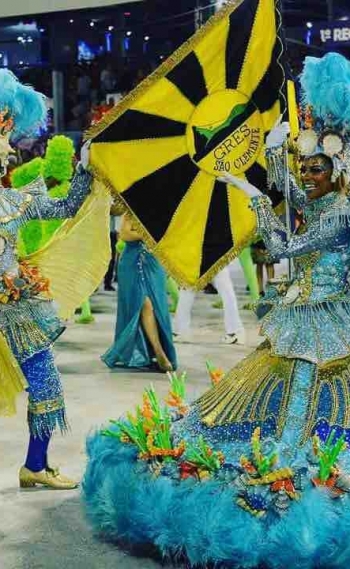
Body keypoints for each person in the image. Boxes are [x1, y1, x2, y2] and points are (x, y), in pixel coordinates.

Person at [84, 53, 350, 566]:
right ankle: (279, 463)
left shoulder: (339, 211)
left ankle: (302, 472)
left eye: (319, 168)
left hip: (328, 320)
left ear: (336, 170)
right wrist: (272, 161)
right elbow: (293, 195)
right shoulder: (321, 197)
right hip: (301, 310)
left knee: (312, 397)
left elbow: (284, 247)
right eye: (306, 166)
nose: (309, 175)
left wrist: (251, 191)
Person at [0, 70, 106, 490]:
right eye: (1, 141)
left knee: (46, 384)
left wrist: (84, 165)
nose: (8, 151)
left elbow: (67, 206)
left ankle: (36, 466)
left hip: (17, 309)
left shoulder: (14, 199)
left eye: (8, 139)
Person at [102, 214, 177, 372]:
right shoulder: (131, 210)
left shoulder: (166, 211)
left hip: (154, 264)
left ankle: (151, 352)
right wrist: (150, 234)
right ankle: (159, 353)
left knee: (157, 308)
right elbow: (125, 235)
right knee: (145, 304)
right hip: (132, 263)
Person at [173, 264, 245, 345]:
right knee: (226, 291)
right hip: (215, 257)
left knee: (187, 291)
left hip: (198, 257)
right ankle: (235, 331)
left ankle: (180, 331)